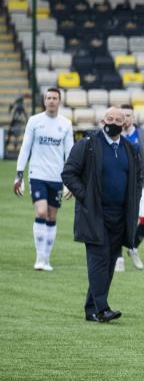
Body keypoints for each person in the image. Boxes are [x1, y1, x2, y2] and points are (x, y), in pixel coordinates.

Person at [61, 106, 144, 322]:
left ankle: (92, 308)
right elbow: (68, 174)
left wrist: (133, 205)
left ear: (124, 122)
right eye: (109, 118)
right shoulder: (87, 145)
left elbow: (138, 178)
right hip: (94, 215)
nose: (113, 122)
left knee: (108, 262)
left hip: (120, 216)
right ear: (101, 121)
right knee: (98, 260)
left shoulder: (130, 148)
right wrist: (86, 196)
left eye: (118, 119)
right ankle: (102, 308)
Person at [13, 87, 73, 271]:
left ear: (60, 101)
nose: (52, 101)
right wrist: (19, 173)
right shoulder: (35, 121)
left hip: (57, 177)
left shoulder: (66, 124)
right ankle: (39, 258)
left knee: (52, 216)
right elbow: (25, 148)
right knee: (41, 212)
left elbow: (70, 153)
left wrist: (70, 181)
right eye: (49, 98)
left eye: (55, 98)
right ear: (44, 100)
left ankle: (46, 259)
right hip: (37, 174)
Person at [115, 104, 144, 272]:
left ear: (133, 117)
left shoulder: (143, 134)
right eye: (123, 115)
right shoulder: (114, 135)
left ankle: (132, 246)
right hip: (118, 184)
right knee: (119, 221)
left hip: (139, 184)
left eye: (128, 115)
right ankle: (117, 258)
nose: (126, 118)